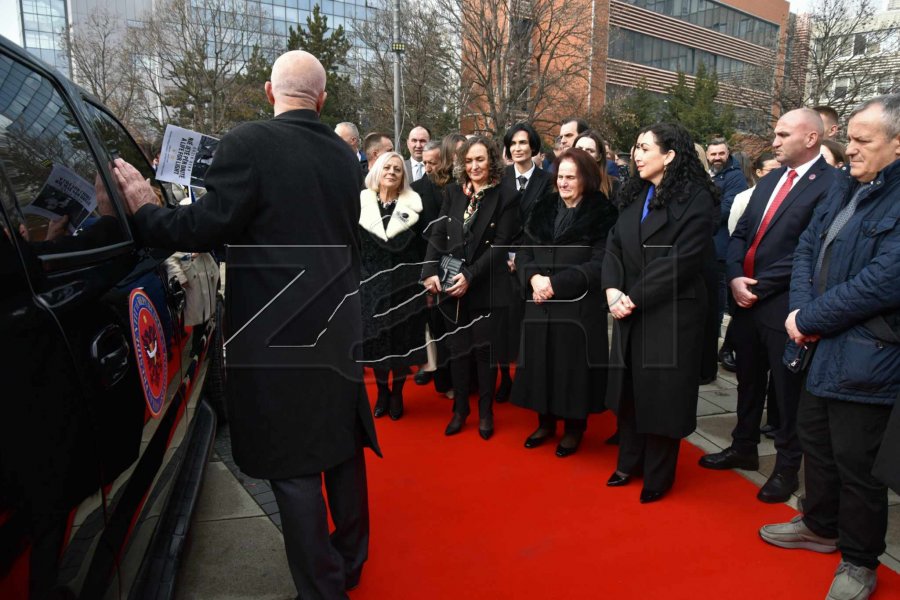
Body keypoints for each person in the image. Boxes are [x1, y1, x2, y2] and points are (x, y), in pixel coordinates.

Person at [112, 50, 380, 599]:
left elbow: (203, 224)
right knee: (340, 441)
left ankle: (322, 588)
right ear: (322, 99)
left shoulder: (247, 144)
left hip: (277, 329)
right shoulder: (343, 155)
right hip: (337, 319)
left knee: (293, 461)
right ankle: (350, 561)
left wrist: (142, 208)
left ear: (268, 91)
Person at [760, 94, 900, 600]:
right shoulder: (843, 184)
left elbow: (884, 281)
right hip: (817, 346)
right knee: (814, 442)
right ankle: (819, 525)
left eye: (863, 140)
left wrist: (809, 317)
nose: (851, 148)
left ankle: (860, 561)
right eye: (851, 138)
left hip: (869, 358)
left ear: (898, 143)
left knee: (857, 465)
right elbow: (806, 247)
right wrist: (800, 312)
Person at [699, 108, 836, 504]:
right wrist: (735, 277)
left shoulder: (830, 184)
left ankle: (786, 469)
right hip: (745, 300)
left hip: (784, 303)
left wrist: (757, 284)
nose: (773, 142)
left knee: (786, 391)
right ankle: (742, 446)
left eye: (782, 134)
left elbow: (808, 249)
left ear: (811, 138)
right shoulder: (771, 178)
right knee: (747, 378)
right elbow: (740, 231)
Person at [602, 122, 717, 503]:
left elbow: (681, 262)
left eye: (644, 148)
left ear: (669, 156)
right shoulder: (635, 195)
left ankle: (658, 475)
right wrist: (612, 289)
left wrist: (632, 296)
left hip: (670, 313)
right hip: (628, 308)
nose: (635, 154)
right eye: (634, 147)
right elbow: (614, 246)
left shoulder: (697, 200)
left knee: (662, 398)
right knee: (631, 392)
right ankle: (627, 463)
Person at [512, 148, 617, 457]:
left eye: (571, 177)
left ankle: (574, 428)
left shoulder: (603, 213)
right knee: (541, 364)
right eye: (560, 177)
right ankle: (545, 422)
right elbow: (523, 251)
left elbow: (601, 263)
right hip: (539, 303)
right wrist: (533, 279)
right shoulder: (542, 207)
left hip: (578, 307)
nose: (564, 183)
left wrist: (554, 284)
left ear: (586, 178)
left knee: (572, 370)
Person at [422, 136, 519, 439]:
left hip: (486, 284)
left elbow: (502, 244)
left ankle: (486, 412)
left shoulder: (506, 196)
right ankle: (460, 410)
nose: (474, 166)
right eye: (468, 161)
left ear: (491, 161)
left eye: (480, 159)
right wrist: (428, 271)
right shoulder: (453, 193)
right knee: (458, 351)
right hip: (452, 285)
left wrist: (471, 276)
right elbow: (438, 234)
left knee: (484, 353)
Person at [358, 151, 427, 420]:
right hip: (370, 286)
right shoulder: (361, 203)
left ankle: (397, 392)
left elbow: (423, 248)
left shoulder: (414, 206)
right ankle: (382, 392)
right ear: (377, 171)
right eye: (387, 167)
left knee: (401, 343)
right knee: (376, 342)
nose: (392, 172)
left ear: (403, 177)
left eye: (398, 169)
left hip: (405, 287)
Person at [497, 122, 553, 401]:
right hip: (500, 261)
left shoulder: (548, 181)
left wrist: (521, 256)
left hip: (532, 261)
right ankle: (504, 378)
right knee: (501, 323)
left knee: (526, 324)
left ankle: (525, 379)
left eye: (523, 143)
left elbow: (543, 225)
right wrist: (505, 254)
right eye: (513, 143)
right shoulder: (500, 178)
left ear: (533, 146)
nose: (518, 148)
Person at [413, 133, 466, 391]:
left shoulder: (467, 186)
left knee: (462, 328)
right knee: (438, 326)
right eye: (426, 163)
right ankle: (443, 378)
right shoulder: (420, 189)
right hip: (434, 263)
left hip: (464, 265)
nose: (429, 167)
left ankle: (465, 380)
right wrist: (428, 267)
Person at [574, 129, 618, 201]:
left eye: (590, 151)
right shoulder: (561, 181)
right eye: (579, 149)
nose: (583, 154)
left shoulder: (612, 186)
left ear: (599, 157)